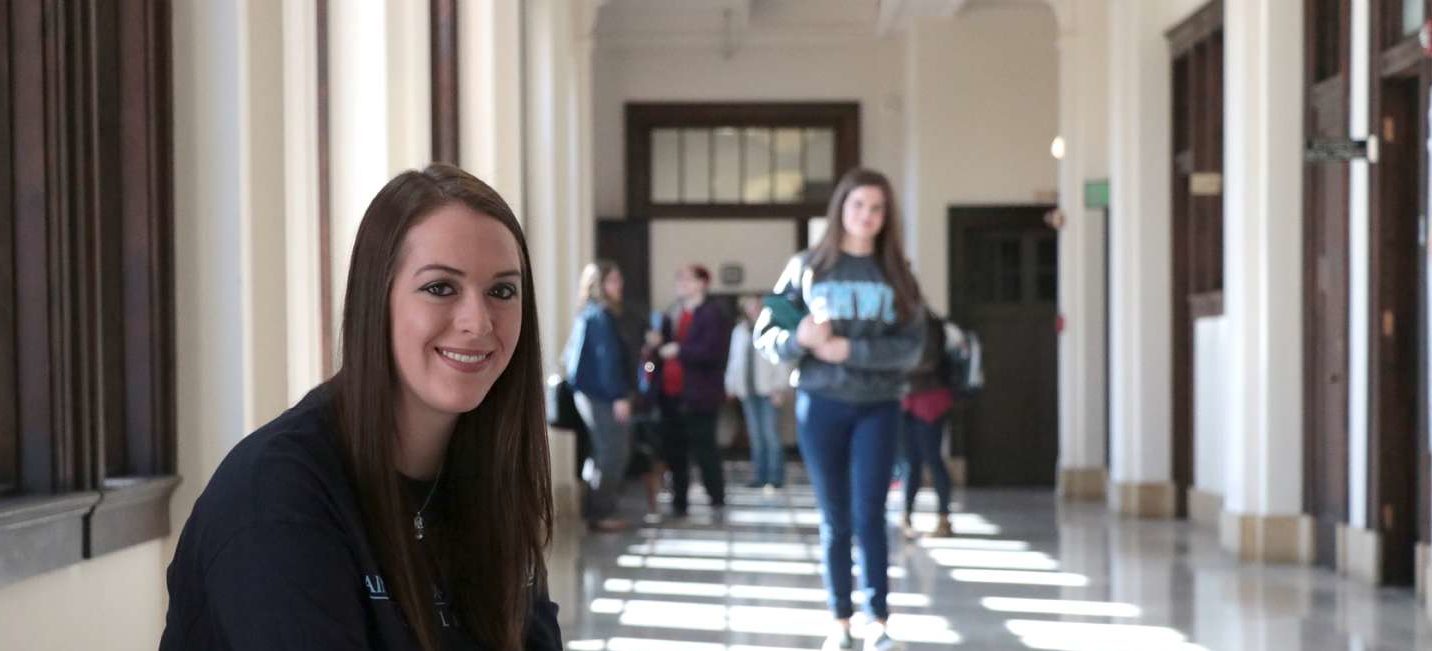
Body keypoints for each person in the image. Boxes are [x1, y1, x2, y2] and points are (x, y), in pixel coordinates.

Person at [161, 164, 561, 651]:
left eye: (502, 291)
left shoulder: (486, 478)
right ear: (378, 300)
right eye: (440, 288)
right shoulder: (276, 496)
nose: (479, 322)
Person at [755, 168, 924, 651]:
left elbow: (912, 348)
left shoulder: (897, 272)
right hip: (821, 404)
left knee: (871, 512)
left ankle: (878, 619)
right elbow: (766, 334)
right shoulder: (808, 266)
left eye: (877, 208)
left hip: (878, 406)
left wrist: (847, 352)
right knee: (834, 517)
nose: (867, 216)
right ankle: (840, 619)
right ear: (841, 209)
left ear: (886, 216)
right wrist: (801, 339)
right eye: (858, 206)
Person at [648, 264, 731, 518]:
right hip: (670, 393)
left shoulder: (712, 314)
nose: (681, 283)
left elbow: (713, 352)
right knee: (675, 450)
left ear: (702, 283)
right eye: (679, 278)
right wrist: (655, 347)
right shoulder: (672, 312)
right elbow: (661, 350)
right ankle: (679, 500)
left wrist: (679, 351)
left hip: (700, 394)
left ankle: (716, 498)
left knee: (705, 449)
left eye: (687, 279)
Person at [563, 260, 635, 532]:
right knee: (613, 452)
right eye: (614, 280)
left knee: (602, 452)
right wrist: (619, 396)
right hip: (603, 395)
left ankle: (597, 510)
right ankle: (601, 513)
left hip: (591, 394)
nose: (620, 285)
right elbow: (608, 361)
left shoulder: (589, 313)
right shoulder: (601, 316)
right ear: (600, 286)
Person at [899, 307, 956, 539]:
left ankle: (944, 518)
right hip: (906, 398)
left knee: (933, 459)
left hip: (930, 399)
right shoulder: (902, 323)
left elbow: (930, 361)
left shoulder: (931, 326)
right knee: (909, 462)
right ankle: (906, 516)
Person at [725, 294, 792, 490]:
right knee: (755, 435)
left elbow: (781, 361)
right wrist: (731, 386)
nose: (752, 309)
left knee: (771, 434)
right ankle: (759, 475)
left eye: (756, 305)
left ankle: (775, 476)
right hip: (748, 389)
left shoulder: (773, 328)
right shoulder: (740, 331)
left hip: (769, 390)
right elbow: (734, 360)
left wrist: (780, 387)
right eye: (749, 306)